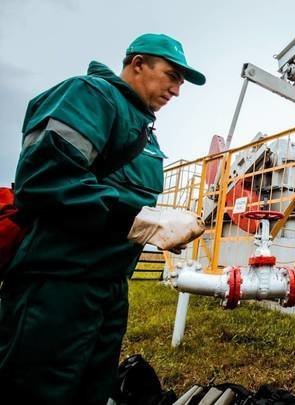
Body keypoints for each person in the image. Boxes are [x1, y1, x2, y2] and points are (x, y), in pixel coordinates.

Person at [0, 33, 206, 403]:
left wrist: (157, 222)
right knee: (39, 391)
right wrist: (142, 222)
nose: (177, 90)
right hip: (58, 285)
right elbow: (45, 179)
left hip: (109, 289)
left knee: (92, 391)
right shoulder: (89, 96)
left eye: (181, 83)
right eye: (172, 76)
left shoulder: (144, 132)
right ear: (138, 63)